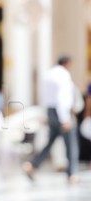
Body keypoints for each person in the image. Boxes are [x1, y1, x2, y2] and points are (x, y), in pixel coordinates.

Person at [23, 55, 79, 183]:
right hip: (61, 112)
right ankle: (72, 173)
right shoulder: (63, 75)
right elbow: (62, 97)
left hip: (50, 111)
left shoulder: (49, 75)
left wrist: (46, 115)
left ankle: (33, 165)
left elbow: (44, 96)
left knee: (50, 141)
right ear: (67, 63)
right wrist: (64, 118)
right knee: (71, 144)